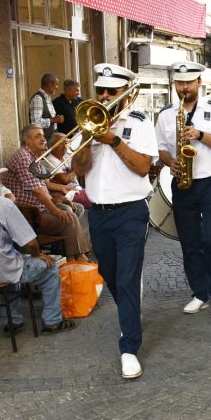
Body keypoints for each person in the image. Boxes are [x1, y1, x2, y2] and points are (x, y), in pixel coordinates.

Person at [72, 63, 158, 379]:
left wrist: (113, 140)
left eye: (112, 91)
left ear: (126, 93)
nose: (106, 96)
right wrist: (87, 137)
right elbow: (79, 169)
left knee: (125, 279)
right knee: (109, 272)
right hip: (99, 212)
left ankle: (129, 347)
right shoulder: (89, 121)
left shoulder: (140, 122)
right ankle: (130, 309)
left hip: (131, 211)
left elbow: (142, 167)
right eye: (101, 91)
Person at [0, 158, 76, 334]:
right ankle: (52, 321)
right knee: (49, 268)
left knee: (10, 261)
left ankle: (13, 321)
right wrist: (38, 255)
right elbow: (30, 243)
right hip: (2, 271)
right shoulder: (3, 204)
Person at [155, 61, 211, 316]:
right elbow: (161, 149)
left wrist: (200, 135)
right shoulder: (166, 114)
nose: (184, 88)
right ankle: (199, 292)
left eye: (189, 82)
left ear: (199, 82)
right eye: (179, 83)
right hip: (183, 183)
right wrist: (170, 162)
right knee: (189, 241)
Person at [2, 124, 91, 262]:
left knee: (76, 208)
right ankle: (76, 258)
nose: (43, 139)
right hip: (30, 215)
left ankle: (72, 255)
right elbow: (37, 192)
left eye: (43, 135)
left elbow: (42, 185)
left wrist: (58, 199)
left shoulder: (33, 157)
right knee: (69, 217)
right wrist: (55, 210)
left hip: (39, 208)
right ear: (27, 140)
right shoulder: (24, 157)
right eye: (38, 136)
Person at [29, 72, 64, 141]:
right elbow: (35, 123)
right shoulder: (38, 98)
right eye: (56, 84)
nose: (57, 87)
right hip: (43, 141)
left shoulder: (47, 98)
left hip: (49, 139)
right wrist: (53, 120)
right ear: (50, 84)